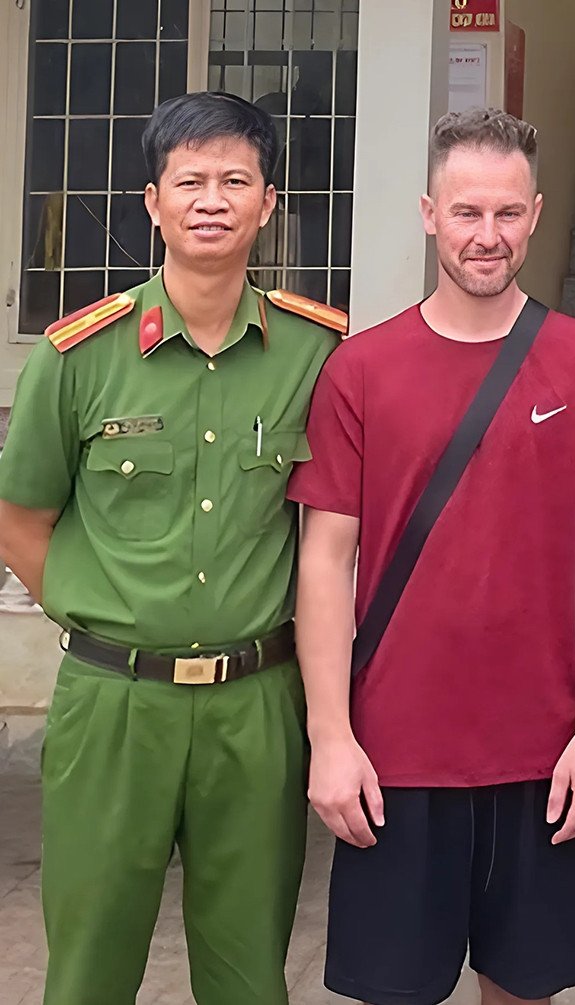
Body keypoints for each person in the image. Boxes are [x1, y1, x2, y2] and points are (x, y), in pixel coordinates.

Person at [290, 108, 575, 1005]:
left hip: (542, 757)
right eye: (466, 212)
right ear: (428, 213)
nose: (487, 236)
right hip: (395, 755)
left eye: (507, 214)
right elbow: (325, 563)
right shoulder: (362, 370)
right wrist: (330, 738)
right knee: (395, 989)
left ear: (534, 215)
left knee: (525, 988)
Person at [0, 91, 345, 1004]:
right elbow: (22, 515)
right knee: (88, 967)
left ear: (269, 203)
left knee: (247, 971)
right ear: (152, 202)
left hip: (256, 707)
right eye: (189, 180)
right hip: (113, 706)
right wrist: (108, 615)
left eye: (236, 180)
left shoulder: (316, 353)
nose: (212, 199)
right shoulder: (79, 356)